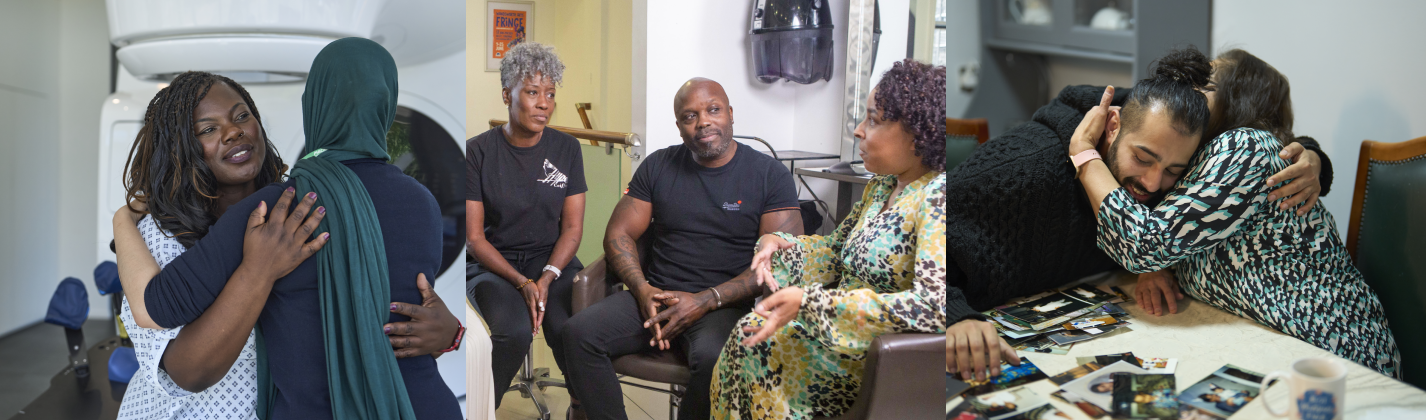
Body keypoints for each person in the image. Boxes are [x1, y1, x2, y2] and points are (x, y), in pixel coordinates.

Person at [137, 38, 466, 418]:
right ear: (386, 107)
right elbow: (401, 321)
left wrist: (123, 221)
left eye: (241, 117)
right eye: (208, 129)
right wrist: (452, 334)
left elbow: (159, 305)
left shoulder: (276, 210)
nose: (232, 132)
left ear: (313, 105)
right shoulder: (423, 202)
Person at [712, 60, 1014, 420]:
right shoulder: (881, 186)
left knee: (757, 347)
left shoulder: (936, 197)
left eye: (873, 120)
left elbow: (932, 307)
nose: (858, 131)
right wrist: (777, 243)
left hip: (876, 356)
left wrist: (812, 303)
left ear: (918, 133)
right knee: (748, 336)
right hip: (838, 334)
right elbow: (834, 250)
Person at [1072, 49, 1400, 377]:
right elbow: (1167, 228)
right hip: (1279, 349)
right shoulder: (1199, 160)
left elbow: (1146, 244)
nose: (1189, 89)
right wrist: (1159, 267)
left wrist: (1084, 154)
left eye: (1205, 84)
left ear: (1235, 100)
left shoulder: (1246, 148)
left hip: (1341, 352)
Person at [943, 46, 1333, 311]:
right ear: (1112, 125)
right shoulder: (1028, 166)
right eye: (1143, 158)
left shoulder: (1215, 154)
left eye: (1206, 87)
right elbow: (1121, 105)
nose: (1188, 90)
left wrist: (1312, 155)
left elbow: (1259, 153)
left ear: (1233, 113)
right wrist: (1083, 151)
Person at [560, 77, 803, 420]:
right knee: (578, 334)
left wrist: (706, 300)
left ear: (731, 114)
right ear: (679, 126)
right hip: (656, 295)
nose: (703, 122)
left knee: (716, 359)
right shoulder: (659, 165)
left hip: (723, 305)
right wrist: (642, 289)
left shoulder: (769, 175)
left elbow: (779, 262)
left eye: (713, 110)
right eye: (690, 116)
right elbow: (618, 233)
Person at [461, 41, 588, 410]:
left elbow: (573, 229)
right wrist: (521, 282)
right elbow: (474, 238)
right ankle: (479, 409)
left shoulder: (567, 149)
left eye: (550, 93)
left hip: (551, 261)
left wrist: (546, 278)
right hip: (493, 264)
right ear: (507, 95)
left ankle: (581, 406)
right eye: (532, 92)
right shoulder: (476, 152)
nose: (544, 103)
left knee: (571, 330)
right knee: (514, 333)